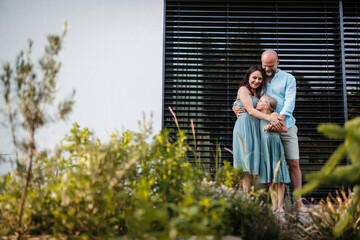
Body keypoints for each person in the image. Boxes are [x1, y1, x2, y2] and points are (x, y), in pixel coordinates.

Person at [233, 50, 308, 212]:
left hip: (284, 124)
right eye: (264, 65)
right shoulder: (260, 79)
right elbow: (247, 95)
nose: (267, 68)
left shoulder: (288, 78)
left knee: (294, 162)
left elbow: (290, 102)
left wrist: (277, 119)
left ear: (278, 62)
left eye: (270, 66)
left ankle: (299, 203)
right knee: (268, 164)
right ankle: (274, 205)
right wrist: (235, 105)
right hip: (262, 129)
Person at [233, 65, 271, 194]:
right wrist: (270, 118)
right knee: (245, 165)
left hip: (255, 128)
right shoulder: (243, 89)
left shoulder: (258, 92)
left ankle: (249, 196)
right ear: (248, 76)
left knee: (253, 164)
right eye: (254, 77)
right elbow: (250, 110)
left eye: (260, 79)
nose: (257, 81)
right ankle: (246, 198)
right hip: (245, 127)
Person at [256, 95, 290, 213]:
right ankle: (274, 204)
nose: (257, 103)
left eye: (260, 101)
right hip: (265, 148)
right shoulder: (259, 116)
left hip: (274, 146)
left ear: (266, 106)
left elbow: (285, 129)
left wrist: (270, 126)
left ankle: (280, 205)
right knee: (271, 177)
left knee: (278, 176)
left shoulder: (274, 115)